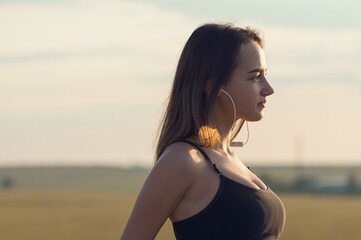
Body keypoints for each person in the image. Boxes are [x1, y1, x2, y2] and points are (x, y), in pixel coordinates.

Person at [121, 23, 283, 240]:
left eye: (265, 75)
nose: (268, 89)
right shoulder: (183, 160)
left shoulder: (227, 158)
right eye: (255, 77)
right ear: (213, 85)